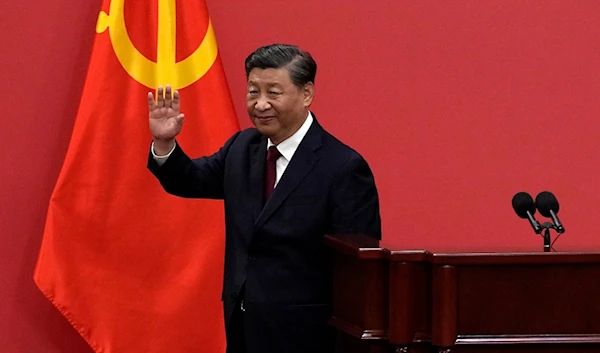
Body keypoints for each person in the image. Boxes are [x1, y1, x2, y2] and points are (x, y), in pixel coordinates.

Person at [147, 44, 381, 353]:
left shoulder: (343, 167)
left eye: (273, 93)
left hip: (308, 337)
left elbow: (358, 274)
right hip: (243, 327)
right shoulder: (243, 147)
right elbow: (190, 179)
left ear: (306, 94)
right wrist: (164, 142)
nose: (260, 104)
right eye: (253, 92)